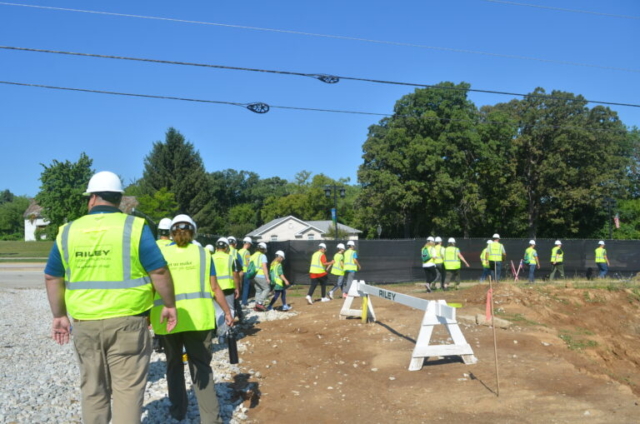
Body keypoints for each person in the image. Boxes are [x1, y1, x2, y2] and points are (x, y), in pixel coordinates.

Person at [44, 171, 178, 424]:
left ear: (92, 198)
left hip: (85, 322)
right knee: (127, 390)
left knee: (93, 389)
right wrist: (169, 305)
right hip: (128, 322)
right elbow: (158, 270)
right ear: (119, 199)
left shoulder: (68, 231)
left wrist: (59, 315)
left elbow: (52, 277)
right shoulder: (134, 227)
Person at [151, 214, 233, 423]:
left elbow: (151, 286)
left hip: (167, 318)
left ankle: (178, 410)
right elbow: (215, 288)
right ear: (194, 231)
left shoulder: (160, 252)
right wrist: (227, 311)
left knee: (173, 364)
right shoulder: (204, 254)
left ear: (171, 233)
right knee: (201, 368)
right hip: (199, 319)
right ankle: (210, 418)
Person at [212, 237, 238, 337]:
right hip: (228, 287)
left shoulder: (211, 257)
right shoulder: (231, 258)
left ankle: (221, 336)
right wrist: (237, 288)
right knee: (230, 310)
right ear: (226, 247)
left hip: (214, 288)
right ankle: (228, 333)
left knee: (218, 312)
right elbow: (235, 275)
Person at [249, 242, 271, 311]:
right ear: (263, 249)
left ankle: (256, 305)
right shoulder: (263, 256)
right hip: (260, 275)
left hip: (253, 276)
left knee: (258, 290)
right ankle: (259, 303)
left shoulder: (252, 255)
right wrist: (267, 278)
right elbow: (264, 267)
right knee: (267, 288)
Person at [239, 237, 253, 306]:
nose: (250, 246)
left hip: (239, 271)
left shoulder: (239, 251)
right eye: (250, 244)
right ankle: (244, 302)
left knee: (239, 286)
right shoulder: (247, 252)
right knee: (246, 286)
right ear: (247, 244)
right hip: (246, 271)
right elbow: (248, 262)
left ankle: (239, 301)